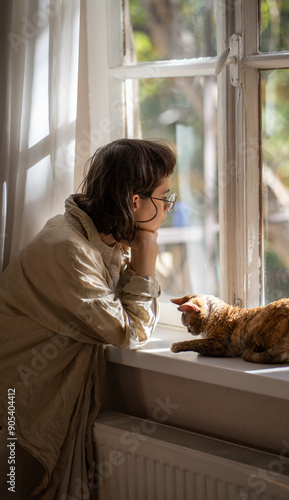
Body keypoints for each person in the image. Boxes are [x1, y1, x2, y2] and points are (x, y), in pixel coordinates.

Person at [0, 138, 177, 499]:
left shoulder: (98, 242)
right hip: (17, 416)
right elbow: (130, 331)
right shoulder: (68, 251)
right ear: (135, 202)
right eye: (165, 198)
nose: (168, 209)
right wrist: (146, 255)